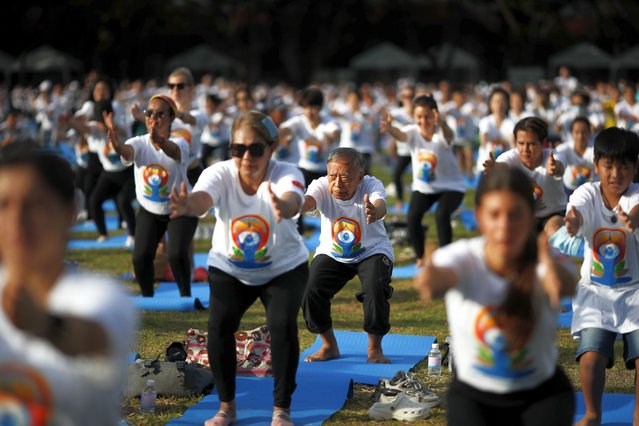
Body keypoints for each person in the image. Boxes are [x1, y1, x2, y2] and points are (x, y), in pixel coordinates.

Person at [170, 110, 310, 426]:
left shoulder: (286, 172)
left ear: (271, 147)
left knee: (281, 325)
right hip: (229, 268)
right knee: (219, 326)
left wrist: (284, 206)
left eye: (255, 149)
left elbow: (294, 198)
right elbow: (202, 199)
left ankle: (281, 410)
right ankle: (226, 408)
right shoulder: (220, 173)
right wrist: (187, 206)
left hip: (284, 268)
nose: (246, 156)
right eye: (238, 149)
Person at [415, 167, 577, 426]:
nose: (504, 226)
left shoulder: (544, 256)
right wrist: (431, 280)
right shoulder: (462, 255)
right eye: (494, 215)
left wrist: (553, 277)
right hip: (474, 397)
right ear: (479, 216)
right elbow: (444, 277)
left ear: (530, 215)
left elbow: (568, 283)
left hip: (542, 394)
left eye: (515, 215)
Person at [0, 142, 136, 425]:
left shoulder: (101, 296)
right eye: (4, 204)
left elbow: (93, 336)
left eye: (33, 204)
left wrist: (42, 323)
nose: (17, 220)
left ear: (69, 212)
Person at [563, 127, 639, 426]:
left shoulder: (634, 195)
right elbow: (576, 211)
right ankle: (592, 414)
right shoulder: (587, 192)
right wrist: (571, 222)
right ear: (597, 165)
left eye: (624, 166)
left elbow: (638, 209)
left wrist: (632, 220)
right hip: (594, 292)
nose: (615, 173)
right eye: (608, 165)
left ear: (635, 167)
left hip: (635, 292)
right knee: (591, 357)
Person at [300, 147, 394, 363]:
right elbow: (308, 201)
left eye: (345, 177)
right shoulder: (321, 186)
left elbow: (381, 205)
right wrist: (292, 204)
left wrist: (375, 211)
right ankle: (328, 345)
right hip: (333, 253)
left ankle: (374, 349)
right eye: (333, 176)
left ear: (359, 177)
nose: (337, 183)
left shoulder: (371, 184)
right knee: (309, 288)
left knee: (375, 288)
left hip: (372, 250)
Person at [104, 95, 197, 297]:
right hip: (150, 210)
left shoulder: (181, 140)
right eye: (149, 113)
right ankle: (148, 297)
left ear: (171, 119)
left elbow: (174, 152)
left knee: (176, 254)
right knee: (141, 257)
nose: (153, 117)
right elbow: (128, 153)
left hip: (180, 207)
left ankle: (185, 296)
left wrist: (161, 141)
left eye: (160, 113)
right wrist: (118, 146)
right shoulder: (139, 142)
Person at [380, 95, 466, 267]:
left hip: (451, 187)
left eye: (427, 116)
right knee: (412, 216)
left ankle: (446, 258)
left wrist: (442, 123)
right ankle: (420, 257)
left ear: (435, 115)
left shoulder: (442, 131)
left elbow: (449, 136)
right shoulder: (412, 131)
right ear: (414, 117)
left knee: (441, 214)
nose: (423, 121)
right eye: (419, 117)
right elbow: (401, 135)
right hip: (424, 188)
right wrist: (390, 128)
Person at [483, 116, 567, 237]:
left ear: (544, 143)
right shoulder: (511, 157)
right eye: (521, 143)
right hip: (523, 215)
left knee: (554, 232)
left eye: (531, 144)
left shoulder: (553, 155)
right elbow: (502, 166)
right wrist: (494, 167)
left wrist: (554, 168)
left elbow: (559, 167)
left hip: (554, 214)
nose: (525, 149)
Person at [87, 100, 136, 246]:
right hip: (109, 174)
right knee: (94, 200)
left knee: (123, 200)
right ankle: (103, 234)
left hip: (128, 173)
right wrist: (70, 122)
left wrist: (111, 126)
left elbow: (124, 133)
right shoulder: (94, 130)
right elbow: (82, 128)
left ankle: (133, 235)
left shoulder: (122, 125)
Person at [475, 87, 515, 176]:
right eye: (496, 101)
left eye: (502, 101)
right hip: (486, 165)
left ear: (507, 104)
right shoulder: (485, 121)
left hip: (504, 166)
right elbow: (483, 138)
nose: (499, 104)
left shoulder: (511, 122)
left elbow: (512, 141)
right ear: (490, 104)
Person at [556, 116, 595, 194]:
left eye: (584, 132)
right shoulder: (565, 148)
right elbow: (557, 154)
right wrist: (555, 161)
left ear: (589, 132)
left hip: (590, 191)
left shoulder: (595, 149)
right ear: (571, 133)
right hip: (568, 190)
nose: (580, 136)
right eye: (577, 132)